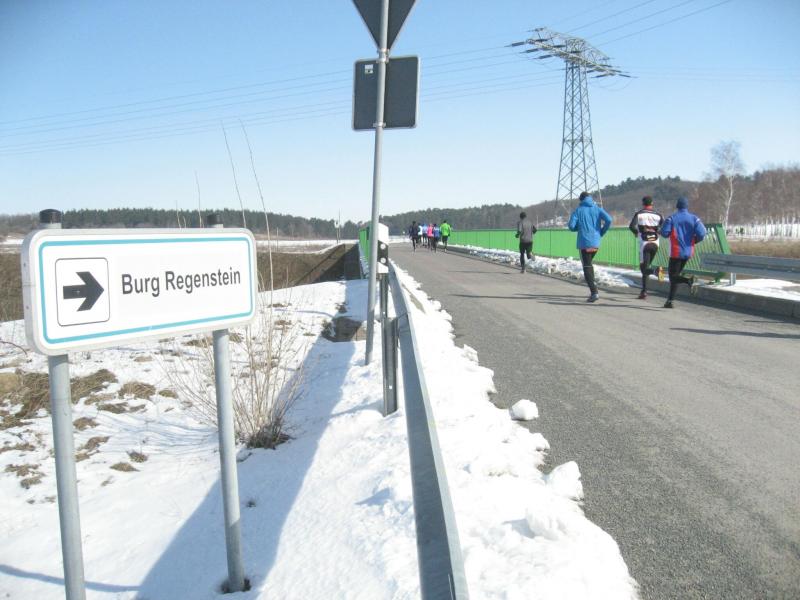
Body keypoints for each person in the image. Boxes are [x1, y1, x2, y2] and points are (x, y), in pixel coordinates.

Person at [660, 196, 706, 308]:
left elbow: (664, 233)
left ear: (677, 206)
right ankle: (670, 301)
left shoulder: (672, 218)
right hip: (688, 251)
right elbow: (702, 233)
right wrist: (694, 241)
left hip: (675, 251)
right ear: (687, 206)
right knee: (676, 276)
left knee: (673, 277)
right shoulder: (694, 219)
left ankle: (689, 280)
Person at [568, 191, 613, 302]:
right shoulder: (597, 208)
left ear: (580, 200)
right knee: (589, 265)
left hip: (584, 243)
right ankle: (592, 284)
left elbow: (571, 226)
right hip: (596, 242)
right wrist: (601, 231)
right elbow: (609, 219)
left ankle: (594, 292)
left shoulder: (578, 210)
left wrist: (578, 228)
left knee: (587, 266)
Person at [628, 196, 664, 299]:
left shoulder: (639, 214)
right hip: (655, 243)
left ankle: (655, 272)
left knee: (644, 268)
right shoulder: (658, 215)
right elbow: (664, 227)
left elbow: (631, 226)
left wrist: (637, 233)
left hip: (644, 243)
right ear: (652, 204)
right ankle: (644, 291)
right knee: (646, 267)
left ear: (643, 204)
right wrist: (658, 232)